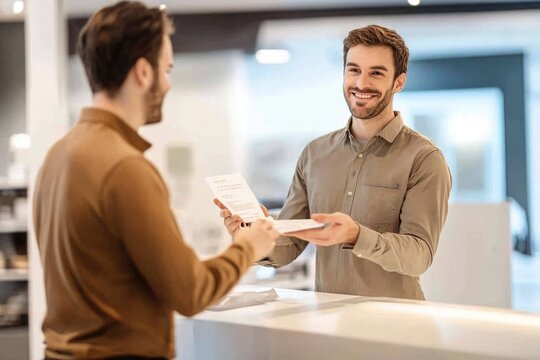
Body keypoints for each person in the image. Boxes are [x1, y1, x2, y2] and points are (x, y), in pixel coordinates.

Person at [32, 2, 278, 359]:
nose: (168, 83)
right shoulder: (125, 167)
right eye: (167, 69)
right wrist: (250, 246)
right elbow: (191, 292)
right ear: (143, 72)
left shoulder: (57, 155)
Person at [217, 25, 452, 300]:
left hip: (396, 324)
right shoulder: (314, 154)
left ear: (398, 82)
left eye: (376, 73)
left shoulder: (424, 159)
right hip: (329, 322)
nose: (361, 83)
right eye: (354, 70)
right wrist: (253, 237)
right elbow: (288, 246)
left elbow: (419, 255)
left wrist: (356, 235)